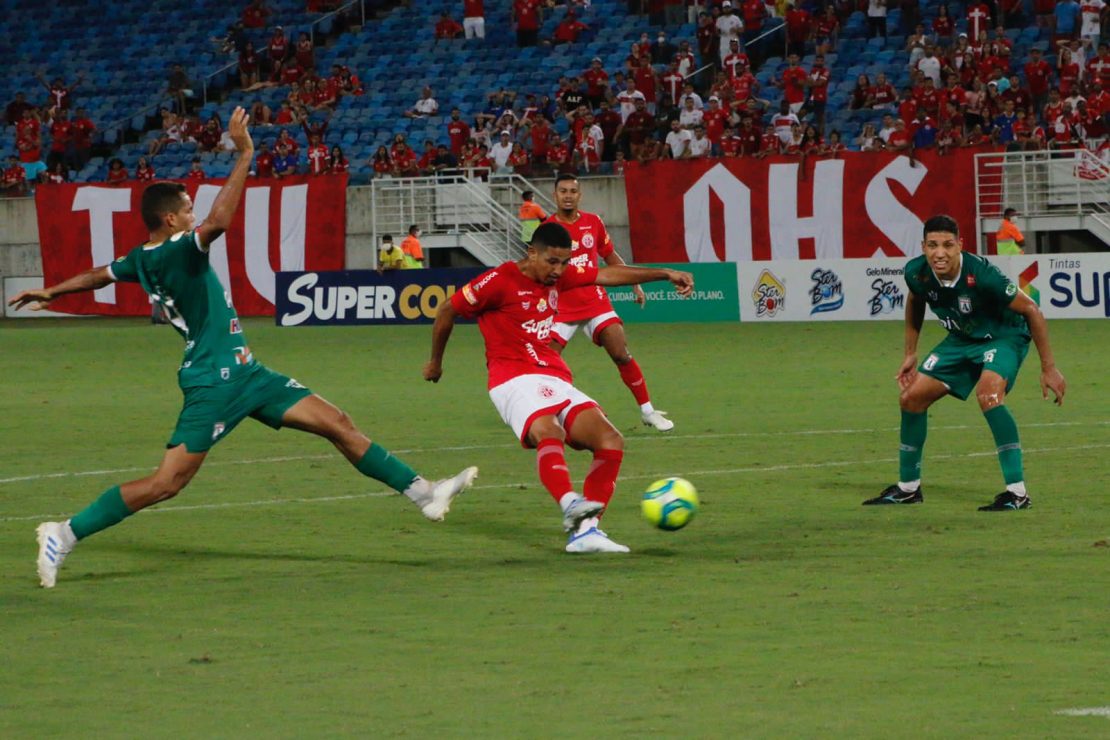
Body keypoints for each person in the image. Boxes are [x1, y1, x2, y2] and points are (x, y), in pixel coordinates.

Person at [11, 108, 478, 589]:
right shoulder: (177, 249)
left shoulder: (140, 258)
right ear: (170, 219)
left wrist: (53, 290)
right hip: (213, 381)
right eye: (187, 208)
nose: (194, 214)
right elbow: (220, 220)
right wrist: (246, 154)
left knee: (337, 423)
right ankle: (63, 533)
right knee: (166, 483)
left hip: (247, 374)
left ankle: (424, 492)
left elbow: (99, 274)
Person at [423, 222, 693, 553]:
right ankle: (569, 504)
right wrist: (436, 362)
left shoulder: (560, 276)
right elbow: (448, 309)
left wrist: (665, 273)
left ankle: (586, 533)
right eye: (552, 261)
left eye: (565, 262)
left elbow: (608, 275)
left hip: (552, 374)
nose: (559, 270)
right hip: (512, 378)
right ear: (531, 253)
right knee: (549, 432)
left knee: (610, 440)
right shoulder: (500, 280)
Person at [863, 214, 1066, 511]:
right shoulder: (917, 273)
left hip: (1003, 337)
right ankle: (908, 488)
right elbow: (916, 300)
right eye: (932, 245)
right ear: (923, 247)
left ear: (960, 245)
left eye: (947, 245)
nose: (939, 253)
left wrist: (1048, 367)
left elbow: (1032, 310)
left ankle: (1017, 493)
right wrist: (910, 352)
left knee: (989, 396)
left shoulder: (982, 275)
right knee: (911, 399)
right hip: (961, 340)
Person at [543, 174, 676, 431]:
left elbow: (609, 254)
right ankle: (543, 410)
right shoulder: (547, 229)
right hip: (562, 305)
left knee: (621, 353)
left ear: (579, 195)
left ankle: (648, 411)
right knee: (547, 362)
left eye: (573, 191)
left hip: (595, 300)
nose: (568, 195)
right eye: (563, 191)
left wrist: (633, 282)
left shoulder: (593, 222)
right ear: (555, 196)